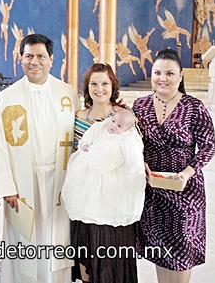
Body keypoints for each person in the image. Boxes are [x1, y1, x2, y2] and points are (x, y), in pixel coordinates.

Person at [0, 33, 78, 283]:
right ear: (21, 59)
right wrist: (7, 186)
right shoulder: (8, 96)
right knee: (24, 239)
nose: (34, 61)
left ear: (51, 59)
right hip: (22, 181)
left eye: (41, 56)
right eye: (29, 56)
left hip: (59, 180)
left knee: (56, 237)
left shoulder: (67, 93)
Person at [132, 48, 215, 283]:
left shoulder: (194, 106)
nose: (163, 78)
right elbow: (132, 143)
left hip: (185, 191)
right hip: (153, 189)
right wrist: (141, 163)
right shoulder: (140, 105)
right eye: (157, 72)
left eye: (170, 73)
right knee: (161, 251)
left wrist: (187, 173)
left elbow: (208, 146)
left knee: (181, 253)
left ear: (180, 76)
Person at [68, 62, 142, 283]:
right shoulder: (78, 116)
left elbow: (134, 153)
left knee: (112, 262)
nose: (99, 89)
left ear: (113, 86)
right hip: (84, 199)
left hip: (113, 202)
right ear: (87, 87)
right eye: (94, 84)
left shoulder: (124, 117)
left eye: (104, 83)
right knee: (85, 259)